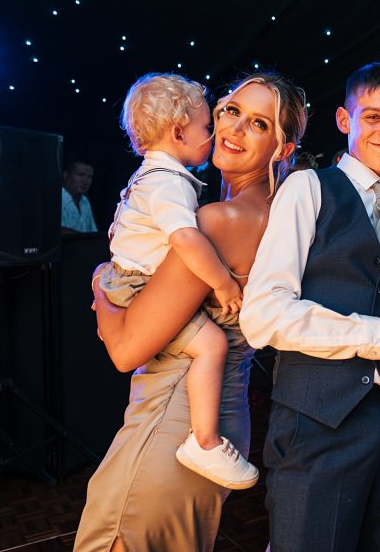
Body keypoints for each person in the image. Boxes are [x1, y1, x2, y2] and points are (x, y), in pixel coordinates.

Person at [75, 72, 306, 551]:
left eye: (259, 124)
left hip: (170, 431)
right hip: (222, 424)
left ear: (283, 149)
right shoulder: (272, 216)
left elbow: (125, 348)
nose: (234, 129)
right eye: (231, 111)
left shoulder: (218, 221)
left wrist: (100, 285)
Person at [240, 63, 380, 552]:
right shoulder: (308, 189)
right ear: (345, 121)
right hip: (317, 425)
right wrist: (379, 337)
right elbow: (263, 314)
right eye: (373, 116)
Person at [97, 73, 256, 489]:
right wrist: (222, 282)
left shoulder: (150, 175)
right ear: (179, 131)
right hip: (137, 284)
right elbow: (185, 238)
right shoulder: (170, 183)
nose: (215, 134)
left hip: (126, 279)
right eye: (209, 127)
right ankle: (204, 441)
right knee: (212, 344)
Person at [61, 158, 98, 233]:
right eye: (81, 175)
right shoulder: (57, 198)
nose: (85, 181)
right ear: (65, 175)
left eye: (89, 177)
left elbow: (93, 233)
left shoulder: (85, 202)